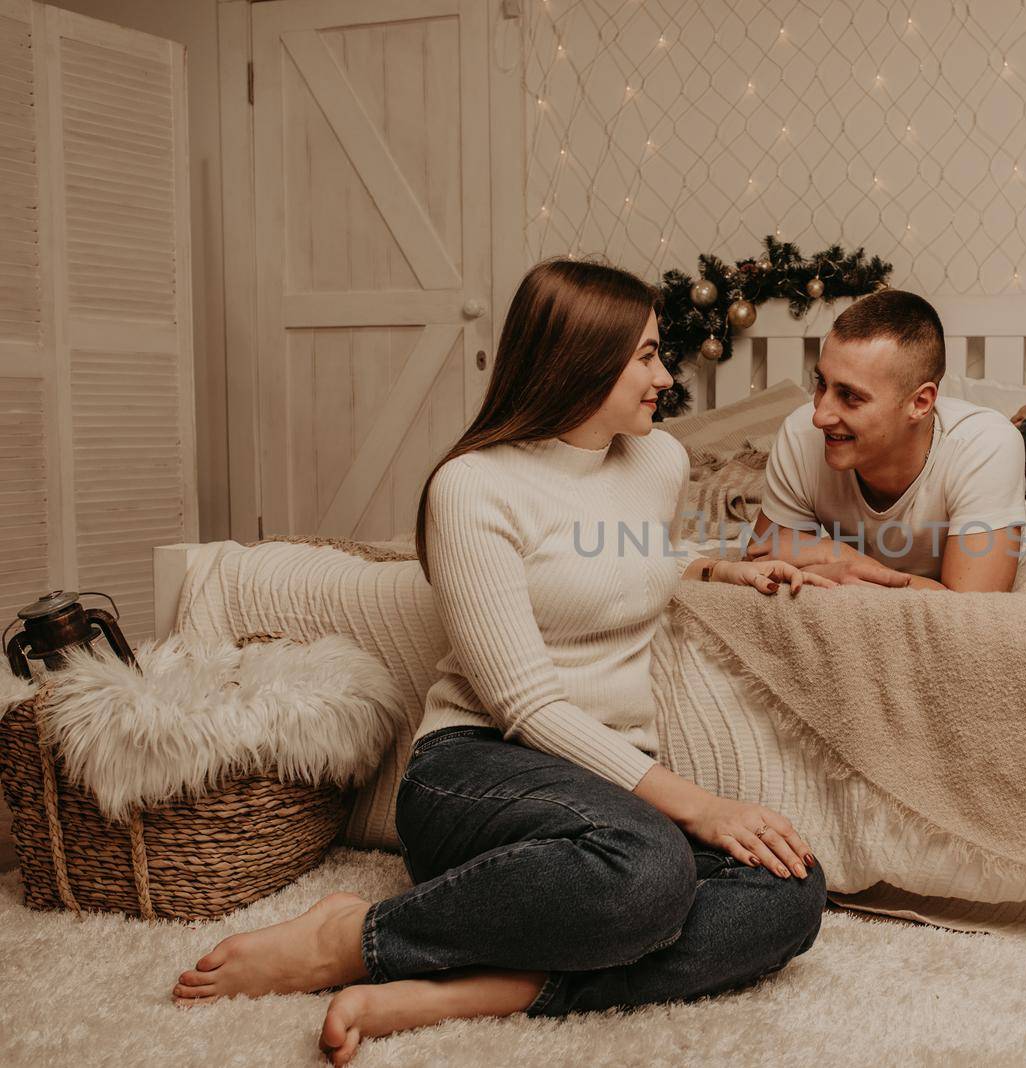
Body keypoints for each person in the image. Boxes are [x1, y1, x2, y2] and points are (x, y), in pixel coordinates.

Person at [171, 259, 833, 1064]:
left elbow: (627, 554)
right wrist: (699, 807)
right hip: (478, 771)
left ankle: (480, 989)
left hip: (605, 793)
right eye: (647, 356)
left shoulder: (655, 462)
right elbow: (528, 708)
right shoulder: (473, 487)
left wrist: (714, 568)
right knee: (650, 872)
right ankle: (356, 939)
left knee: (790, 888)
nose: (666, 375)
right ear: (580, 360)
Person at [747, 289, 1026, 592]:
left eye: (851, 397)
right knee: (1010, 443)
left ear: (920, 403)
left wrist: (844, 560)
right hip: (966, 464)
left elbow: (965, 608)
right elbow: (761, 562)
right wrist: (829, 556)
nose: (820, 415)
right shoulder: (802, 434)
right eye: (822, 384)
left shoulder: (987, 444)